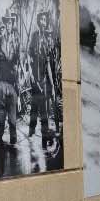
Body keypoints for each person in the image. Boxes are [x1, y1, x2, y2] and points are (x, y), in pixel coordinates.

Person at [27, 11, 59, 150]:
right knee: (34, 105)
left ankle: (44, 134)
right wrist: (31, 75)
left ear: (47, 22)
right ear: (38, 21)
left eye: (45, 20)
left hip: (46, 76)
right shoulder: (34, 36)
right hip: (35, 75)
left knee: (44, 107)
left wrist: (52, 80)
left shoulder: (48, 38)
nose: (42, 22)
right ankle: (32, 128)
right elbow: (29, 55)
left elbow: (51, 60)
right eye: (41, 20)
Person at [0, 14, 21, 147]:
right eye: (7, 23)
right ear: (5, 24)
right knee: (1, 115)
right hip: (3, 82)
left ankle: (13, 141)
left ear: (12, 24)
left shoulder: (16, 41)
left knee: (13, 117)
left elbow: (18, 67)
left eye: (11, 23)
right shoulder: (1, 40)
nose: (9, 25)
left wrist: (19, 92)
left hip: (13, 84)